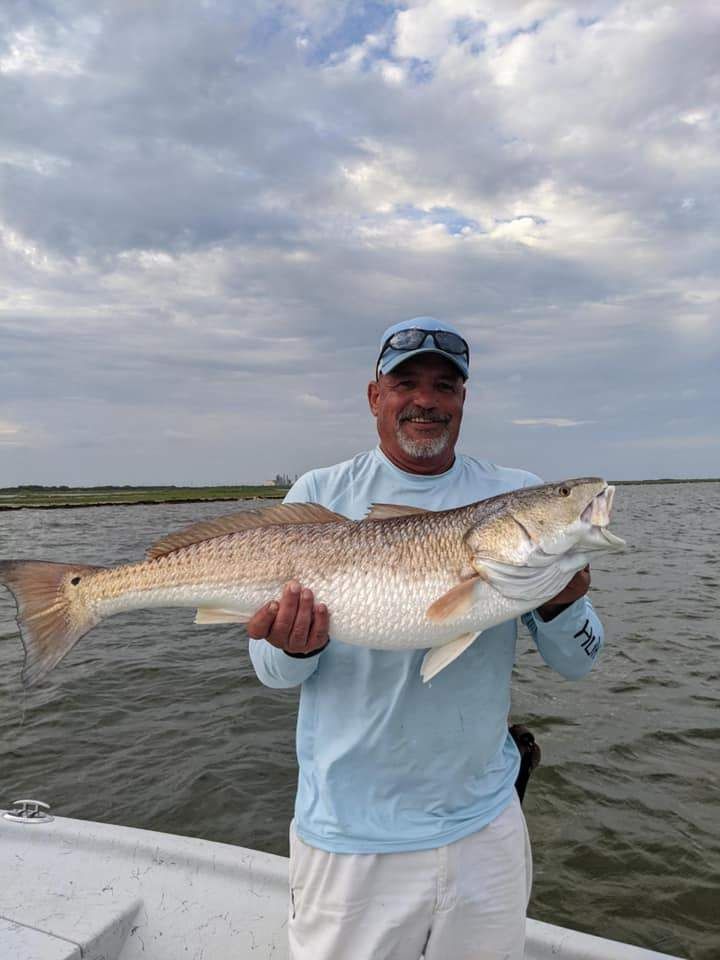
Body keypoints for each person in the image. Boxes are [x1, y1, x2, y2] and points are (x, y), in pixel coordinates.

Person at [247, 317, 604, 960]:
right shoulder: (320, 496)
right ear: (374, 396)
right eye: (406, 382)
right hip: (350, 833)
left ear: (463, 401)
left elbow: (581, 662)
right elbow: (274, 674)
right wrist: (293, 646)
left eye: (445, 385)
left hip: (483, 824)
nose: (426, 400)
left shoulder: (510, 494)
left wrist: (562, 604)